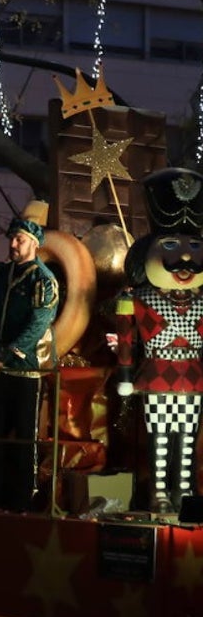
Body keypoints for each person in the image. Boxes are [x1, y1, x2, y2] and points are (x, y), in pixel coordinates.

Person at [115, 167, 203, 512]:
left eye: (194, 245)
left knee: (188, 439)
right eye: (170, 244)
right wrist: (124, 375)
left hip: (194, 377)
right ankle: (160, 492)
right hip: (155, 375)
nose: (184, 257)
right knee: (160, 438)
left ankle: (185, 491)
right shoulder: (136, 299)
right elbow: (126, 341)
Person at [0, 203, 58, 513]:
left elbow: (38, 324)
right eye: (11, 238)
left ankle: (26, 496)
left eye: (19, 239)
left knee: (25, 437)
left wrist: (6, 356)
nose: (12, 244)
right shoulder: (2, 273)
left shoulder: (43, 280)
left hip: (25, 369)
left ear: (34, 244)